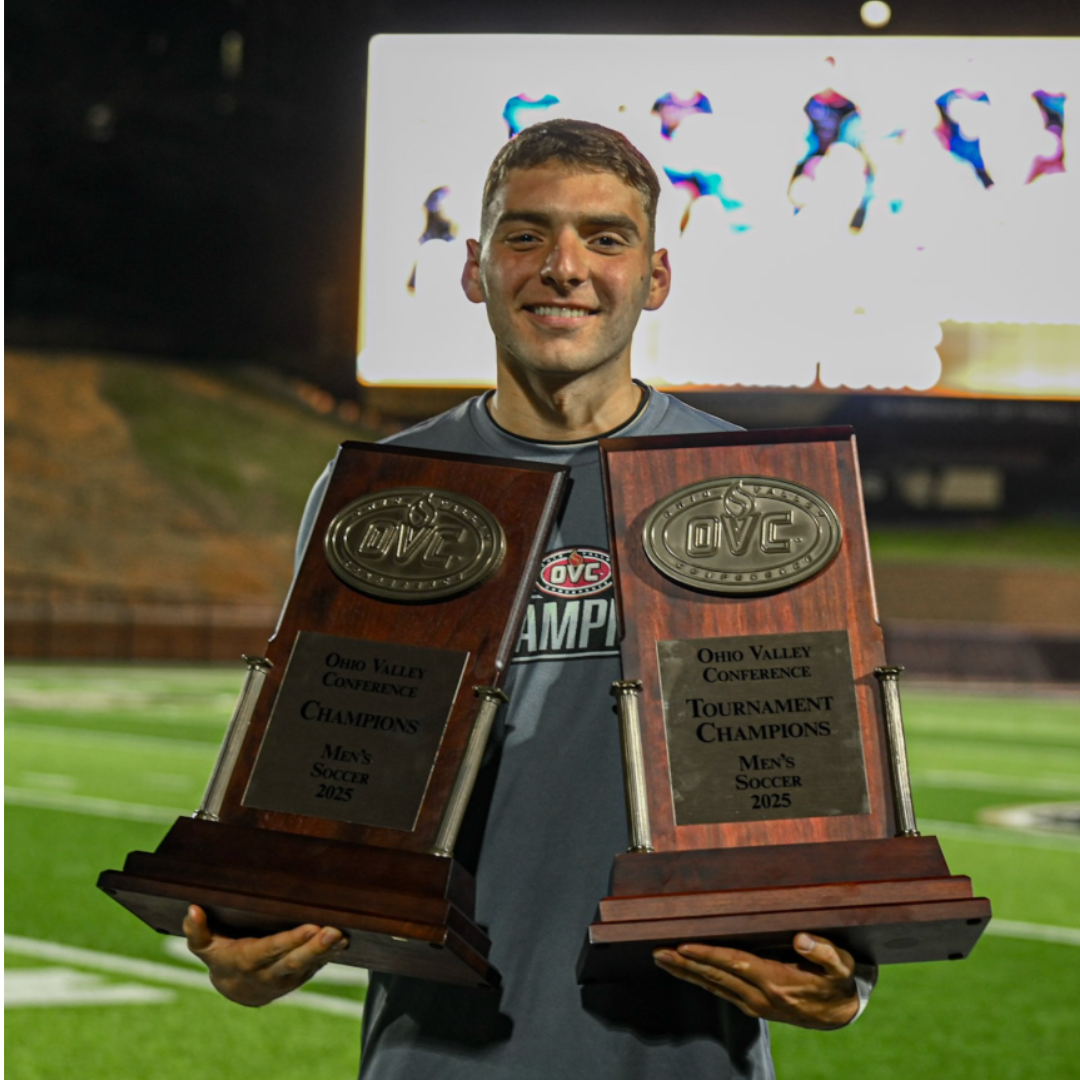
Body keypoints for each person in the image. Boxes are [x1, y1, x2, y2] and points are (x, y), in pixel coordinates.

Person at [184, 119, 874, 1078]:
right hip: (438, 1057)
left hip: (682, 1059)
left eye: (605, 238)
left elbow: (816, 784)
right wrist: (249, 931)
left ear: (657, 275)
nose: (564, 267)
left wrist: (846, 973)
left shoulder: (757, 488)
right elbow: (316, 780)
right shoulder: (380, 496)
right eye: (525, 235)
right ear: (474, 268)